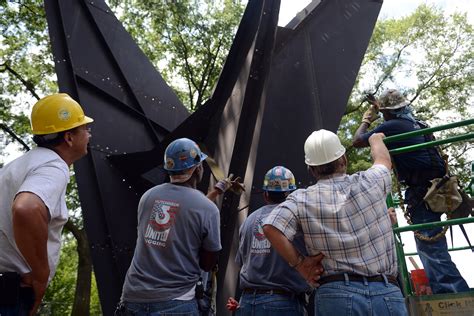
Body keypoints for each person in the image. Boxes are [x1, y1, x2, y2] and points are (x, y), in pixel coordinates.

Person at [263, 129, 408, 316]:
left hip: (335, 295)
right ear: (344, 160)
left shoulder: (301, 199)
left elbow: (270, 227)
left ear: (311, 169)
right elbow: (383, 160)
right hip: (386, 292)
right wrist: (375, 139)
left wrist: (300, 264)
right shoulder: (370, 181)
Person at [352, 89, 469, 294]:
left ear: (387, 113)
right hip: (437, 188)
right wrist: (380, 107)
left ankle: (452, 293)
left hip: (422, 193)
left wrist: (367, 120)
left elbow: (358, 141)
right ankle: (450, 290)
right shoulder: (415, 123)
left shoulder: (391, 126)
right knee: (433, 245)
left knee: (430, 247)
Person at [0, 93, 93, 316]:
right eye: (84, 129)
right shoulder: (53, 167)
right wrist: (41, 274)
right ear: (69, 138)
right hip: (10, 294)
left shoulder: (20, 165)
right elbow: (27, 209)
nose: (89, 134)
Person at [117, 138, 222, 316]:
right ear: (197, 169)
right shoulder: (207, 208)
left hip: (133, 297)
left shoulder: (148, 197)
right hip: (177, 301)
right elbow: (208, 263)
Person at [228, 166, 321, 315]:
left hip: (247, 302)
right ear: (291, 193)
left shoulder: (249, 220)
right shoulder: (297, 219)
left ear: (265, 195)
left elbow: (242, 263)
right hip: (283, 303)